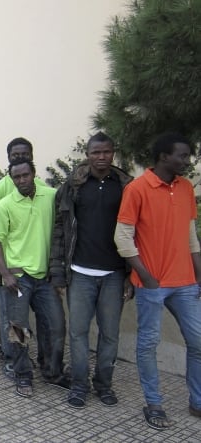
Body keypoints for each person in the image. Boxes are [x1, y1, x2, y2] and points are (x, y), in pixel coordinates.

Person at [114, 132, 201, 430]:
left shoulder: (186, 187)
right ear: (164, 156)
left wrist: (198, 275)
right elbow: (122, 238)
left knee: (198, 341)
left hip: (186, 283)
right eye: (182, 155)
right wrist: (147, 277)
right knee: (148, 344)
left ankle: (197, 402)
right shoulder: (137, 189)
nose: (186, 161)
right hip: (152, 284)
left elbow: (190, 236)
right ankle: (153, 403)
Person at [50, 132, 133, 409]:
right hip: (80, 274)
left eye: (106, 152)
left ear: (113, 153)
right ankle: (79, 385)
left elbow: (135, 233)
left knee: (110, 335)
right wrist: (58, 273)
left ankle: (104, 384)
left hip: (113, 275)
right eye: (95, 152)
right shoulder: (73, 187)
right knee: (78, 333)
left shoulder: (125, 187)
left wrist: (130, 276)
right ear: (87, 154)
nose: (101, 157)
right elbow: (60, 231)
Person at [0, 158, 66, 398]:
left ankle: (52, 372)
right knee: (18, 329)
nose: (21, 180)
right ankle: (23, 375)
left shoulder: (51, 196)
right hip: (18, 278)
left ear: (34, 174)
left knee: (56, 325)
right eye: (17, 177)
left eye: (25, 175)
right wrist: (4, 273)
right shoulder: (5, 204)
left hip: (45, 278)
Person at [0, 137, 51, 380]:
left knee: (42, 321)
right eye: (15, 154)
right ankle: (12, 361)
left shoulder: (42, 188)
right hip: (10, 268)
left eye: (24, 154)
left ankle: (43, 363)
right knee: (10, 318)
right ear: (8, 157)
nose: (19, 157)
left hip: (38, 271)